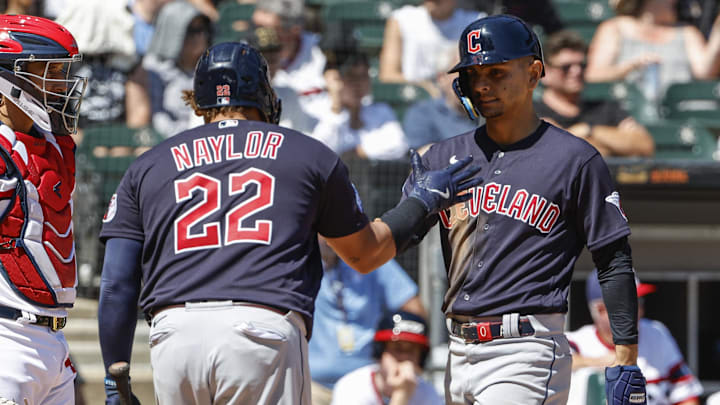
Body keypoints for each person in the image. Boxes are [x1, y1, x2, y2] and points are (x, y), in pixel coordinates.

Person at [97, 41, 482, 405]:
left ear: (199, 100)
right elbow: (365, 255)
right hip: (260, 329)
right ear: (265, 94)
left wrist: (115, 378)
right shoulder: (307, 153)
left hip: (174, 334)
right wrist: (420, 203)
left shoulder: (148, 165)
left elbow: (116, 283)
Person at [402, 15, 648, 404]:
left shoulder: (574, 159)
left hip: (526, 349)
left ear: (534, 74)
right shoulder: (443, 158)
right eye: (472, 73)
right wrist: (411, 206)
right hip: (458, 352)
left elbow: (614, 260)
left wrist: (626, 358)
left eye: (497, 72)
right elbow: (395, 243)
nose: (482, 85)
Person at [0, 15, 87, 404]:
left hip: (52, 340)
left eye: (61, 74)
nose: (59, 85)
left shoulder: (53, 145)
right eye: (45, 72)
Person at [309, 237, 425, 405]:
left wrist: (400, 354)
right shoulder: (301, 263)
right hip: (314, 383)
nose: (328, 239)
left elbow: (415, 311)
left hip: (364, 382)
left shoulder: (372, 261)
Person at [566, 270, 703, 405]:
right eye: (628, 303)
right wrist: (599, 362)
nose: (638, 310)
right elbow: (555, 363)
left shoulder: (656, 333)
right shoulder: (578, 341)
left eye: (638, 301)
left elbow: (686, 396)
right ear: (601, 310)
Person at [535, 30, 654, 158]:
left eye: (582, 65)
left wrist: (589, 130)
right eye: (566, 67)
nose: (576, 71)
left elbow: (644, 145)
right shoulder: (532, 112)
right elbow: (556, 151)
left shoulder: (606, 108)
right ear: (544, 72)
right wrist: (612, 146)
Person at [585, 0, 714, 103]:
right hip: (631, 112)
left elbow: (705, 72)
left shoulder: (688, 32)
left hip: (683, 113)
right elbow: (594, 75)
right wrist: (630, 67)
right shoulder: (615, 28)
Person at [330, 311, 443, 405]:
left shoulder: (427, 393)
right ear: (380, 353)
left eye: (411, 351)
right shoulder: (352, 387)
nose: (403, 357)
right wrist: (401, 394)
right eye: (397, 349)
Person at [311, 52, 409, 160]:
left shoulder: (381, 111)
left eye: (363, 76)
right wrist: (336, 108)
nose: (358, 84)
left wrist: (355, 153)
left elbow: (399, 145)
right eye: (351, 76)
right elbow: (316, 153)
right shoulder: (315, 112)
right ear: (335, 81)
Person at [142, 0, 212, 138]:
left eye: (203, 29)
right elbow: (157, 118)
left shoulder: (212, 69)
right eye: (192, 31)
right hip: (169, 143)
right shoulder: (154, 69)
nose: (200, 36)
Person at [252, 0, 328, 118]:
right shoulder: (247, 54)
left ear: (294, 29)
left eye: (266, 28)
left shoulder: (320, 51)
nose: (260, 34)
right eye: (257, 27)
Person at [379, 0, 483, 84]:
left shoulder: (476, 22)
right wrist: (423, 87)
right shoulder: (401, 19)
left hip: (458, 100)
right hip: (414, 101)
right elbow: (387, 75)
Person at [402, 49, 483, 150]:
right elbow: (420, 156)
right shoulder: (423, 113)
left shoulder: (491, 113)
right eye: (462, 73)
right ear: (442, 78)